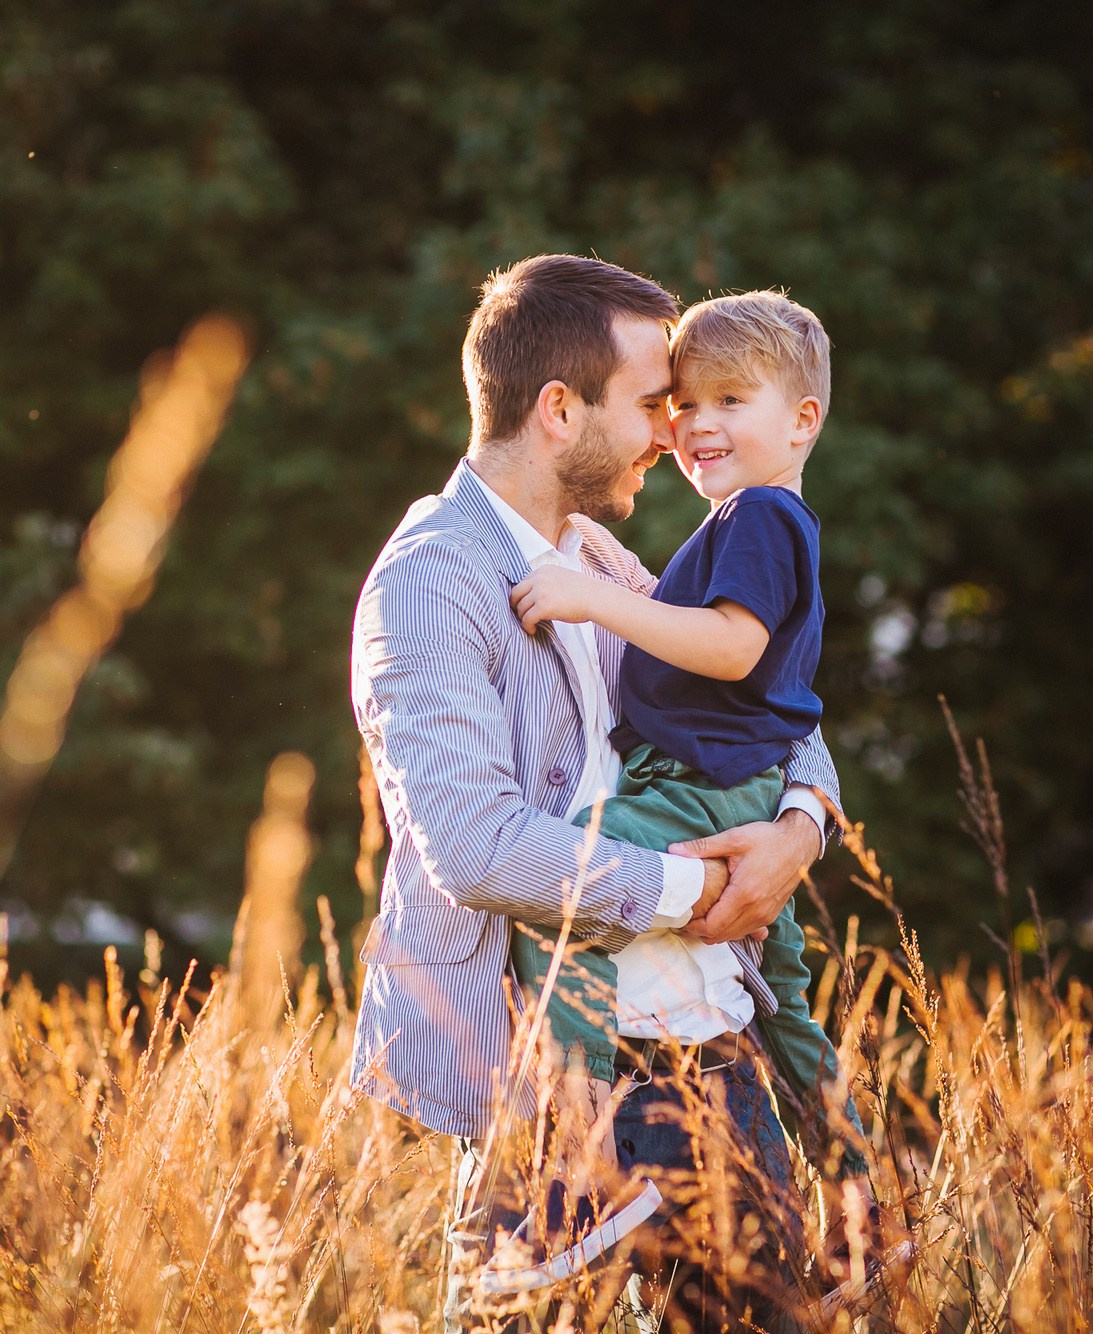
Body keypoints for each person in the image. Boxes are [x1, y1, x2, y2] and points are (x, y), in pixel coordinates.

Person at [346, 255, 864, 1330]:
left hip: (709, 1055)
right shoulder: (430, 578)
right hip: (553, 1100)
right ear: (556, 409)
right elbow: (477, 845)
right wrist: (698, 889)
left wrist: (797, 834)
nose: (671, 433)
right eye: (651, 405)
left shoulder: (600, 561)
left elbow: (770, 704)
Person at [505, 291, 873, 1313]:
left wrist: (591, 598)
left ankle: (575, 1176)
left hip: (700, 788)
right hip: (740, 784)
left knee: (558, 886)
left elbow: (732, 647)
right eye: (679, 403)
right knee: (786, 1000)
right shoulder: (745, 516)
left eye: (729, 399)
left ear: (801, 420)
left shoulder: (756, 516)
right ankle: (860, 1200)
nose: (695, 423)